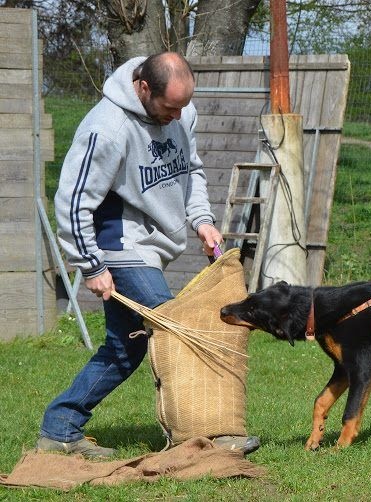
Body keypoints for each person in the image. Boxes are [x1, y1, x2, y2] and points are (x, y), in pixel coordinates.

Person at [36, 52, 259, 457]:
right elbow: (72, 202)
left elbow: (191, 169)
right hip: (119, 246)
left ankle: (60, 428)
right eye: (169, 107)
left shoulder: (181, 114)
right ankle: (207, 437)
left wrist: (201, 220)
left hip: (154, 246)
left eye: (183, 106)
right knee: (180, 329)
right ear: (143, 88)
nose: (177, 116)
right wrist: (91, 264)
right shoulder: (108, 128)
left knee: (125, 347)